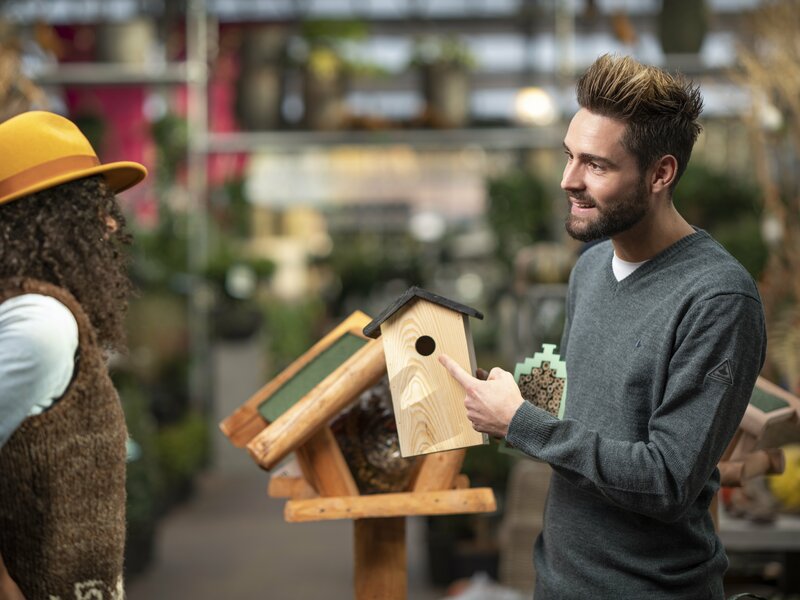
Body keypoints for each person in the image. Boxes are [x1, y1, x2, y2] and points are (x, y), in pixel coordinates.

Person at [440, 54, 767, 599]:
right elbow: (576, 402)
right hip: (558, 581)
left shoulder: (717, 298)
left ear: (661, 173)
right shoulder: (591, 266)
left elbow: (666, 481)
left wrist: (519, 422)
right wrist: (481, 392)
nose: (569, 181)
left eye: (596, 165)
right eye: (569, 156)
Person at [0, 111, 146, 599]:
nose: (109, 224)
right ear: (45, 220)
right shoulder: (42, 323)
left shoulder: (40, 313)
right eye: (91, 206)